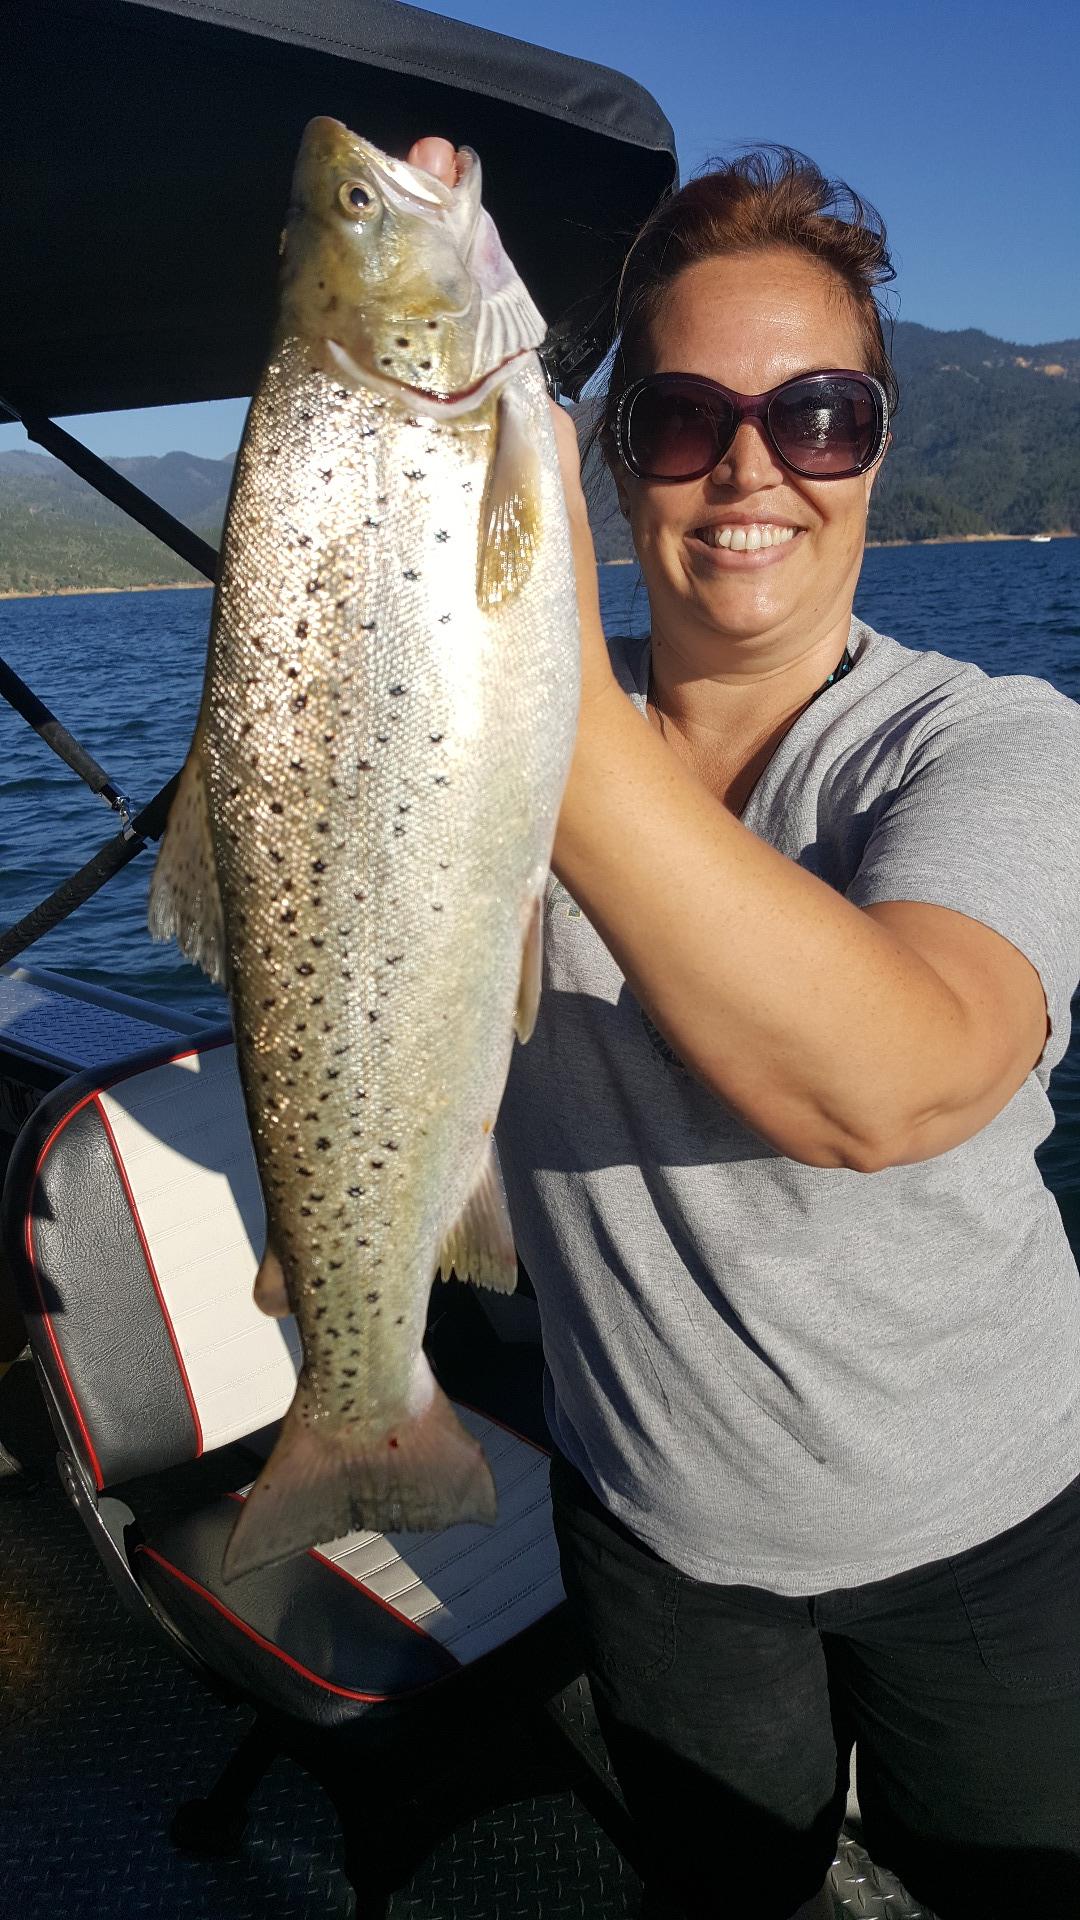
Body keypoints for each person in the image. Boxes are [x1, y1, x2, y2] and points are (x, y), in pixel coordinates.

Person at [407, 139, 1080, 1919]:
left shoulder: (992, 744)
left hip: (997, 1521)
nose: (754, 469)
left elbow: (895, 1080)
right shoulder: (471, 761)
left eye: (822, 415)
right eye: (686, 417)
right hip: (657, 1532)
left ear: (881, 448)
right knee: (725, 1895)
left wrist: (534, 654)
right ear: (614, 459)